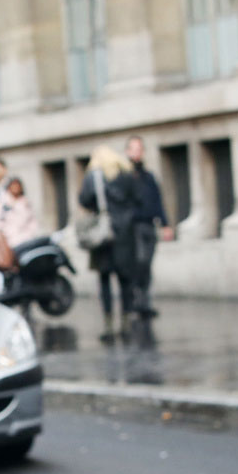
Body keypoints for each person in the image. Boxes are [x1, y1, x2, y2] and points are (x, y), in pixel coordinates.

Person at [80, 146, 142, 341]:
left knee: (105, 280)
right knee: (125, 280)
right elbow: (137, 200)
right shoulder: (126, 174)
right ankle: (125, 321)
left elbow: (84, 199)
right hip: (124, 233)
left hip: (104, 235)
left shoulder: (94, 176)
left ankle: (108, 324)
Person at [125, 136, 170, 317]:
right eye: (134, 149)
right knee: (140, 262)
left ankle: (145, 302)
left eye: (140, 149)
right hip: (134, 227)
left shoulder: (148, 176)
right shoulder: (126, 176)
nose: (137, 153)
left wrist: (165, 224)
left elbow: (158, 201)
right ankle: (136, 301)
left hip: (149, 225)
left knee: (148, 264)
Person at [0, 176, 41, 249]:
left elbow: (32, 221)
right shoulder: (1, 202)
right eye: (13, 186)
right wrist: (5, 232)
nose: (15, 188)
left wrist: (30, 233)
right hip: (7, 239)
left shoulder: (26, 202)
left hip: (25, 239)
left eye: (17, 186)